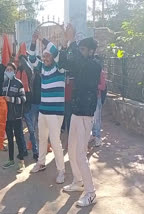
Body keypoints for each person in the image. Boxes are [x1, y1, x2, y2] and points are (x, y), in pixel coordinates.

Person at [59, 30, 101, 206]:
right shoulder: (81, 62)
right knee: (73, 151)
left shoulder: (95, 64)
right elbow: (63, 64)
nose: (81, 52)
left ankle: (90, 193)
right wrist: (64, 45)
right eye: (81, 49)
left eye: (83, 49)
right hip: (76, 112)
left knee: (81, 155)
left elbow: (80, 63)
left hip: (85, 114)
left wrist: (73, 42)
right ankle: (78, 182)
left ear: (91, 51)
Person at [28, 31, 66, 184]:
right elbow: (31, 58)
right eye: (43, 56)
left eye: (47, 56)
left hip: (56, 112)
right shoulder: (43, 68)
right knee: (42, 138)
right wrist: (33, 41)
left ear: (52, 56)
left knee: (55, 141)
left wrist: (42, 39)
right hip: (43, 110)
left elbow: (55, 51)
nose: (45, 58)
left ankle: (61, 171)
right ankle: (41, 162)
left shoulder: (60, 67)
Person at [2, 63, 26, 173]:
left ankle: (21, 162)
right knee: (10, 139)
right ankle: (11, 160)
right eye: (7, 69)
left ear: (14, 71)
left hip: (16, 116)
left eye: (11, 69)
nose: (9, 71)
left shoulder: (19, 83)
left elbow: (23, 99)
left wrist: (10, 99)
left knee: (19, 138)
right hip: (7, 116)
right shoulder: (5, 83)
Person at [16, 55, 39, 161]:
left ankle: (35, 151)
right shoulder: (17, 72)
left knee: (31, 130)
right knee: (20, 130)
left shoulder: (29, 72)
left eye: (20, 61)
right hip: (18, 104)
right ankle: (23, 150)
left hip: (28, 103)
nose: (18, 63)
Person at [90, 56, 107, 147]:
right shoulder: (90, 73)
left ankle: (98, 137)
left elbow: (103, 87)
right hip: (90, 98)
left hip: (97, 98)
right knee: (91, 118)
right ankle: (93, 134)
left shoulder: (101, 73)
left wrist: (94, 85)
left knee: (97, 118)